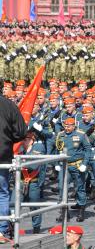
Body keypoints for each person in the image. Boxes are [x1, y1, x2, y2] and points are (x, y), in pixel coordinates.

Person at [0, 92, 27, 242]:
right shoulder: (8, 105)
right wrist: (8, 139)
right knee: (2, 193)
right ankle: (1, 231)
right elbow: (21, 132)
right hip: (2, 156)